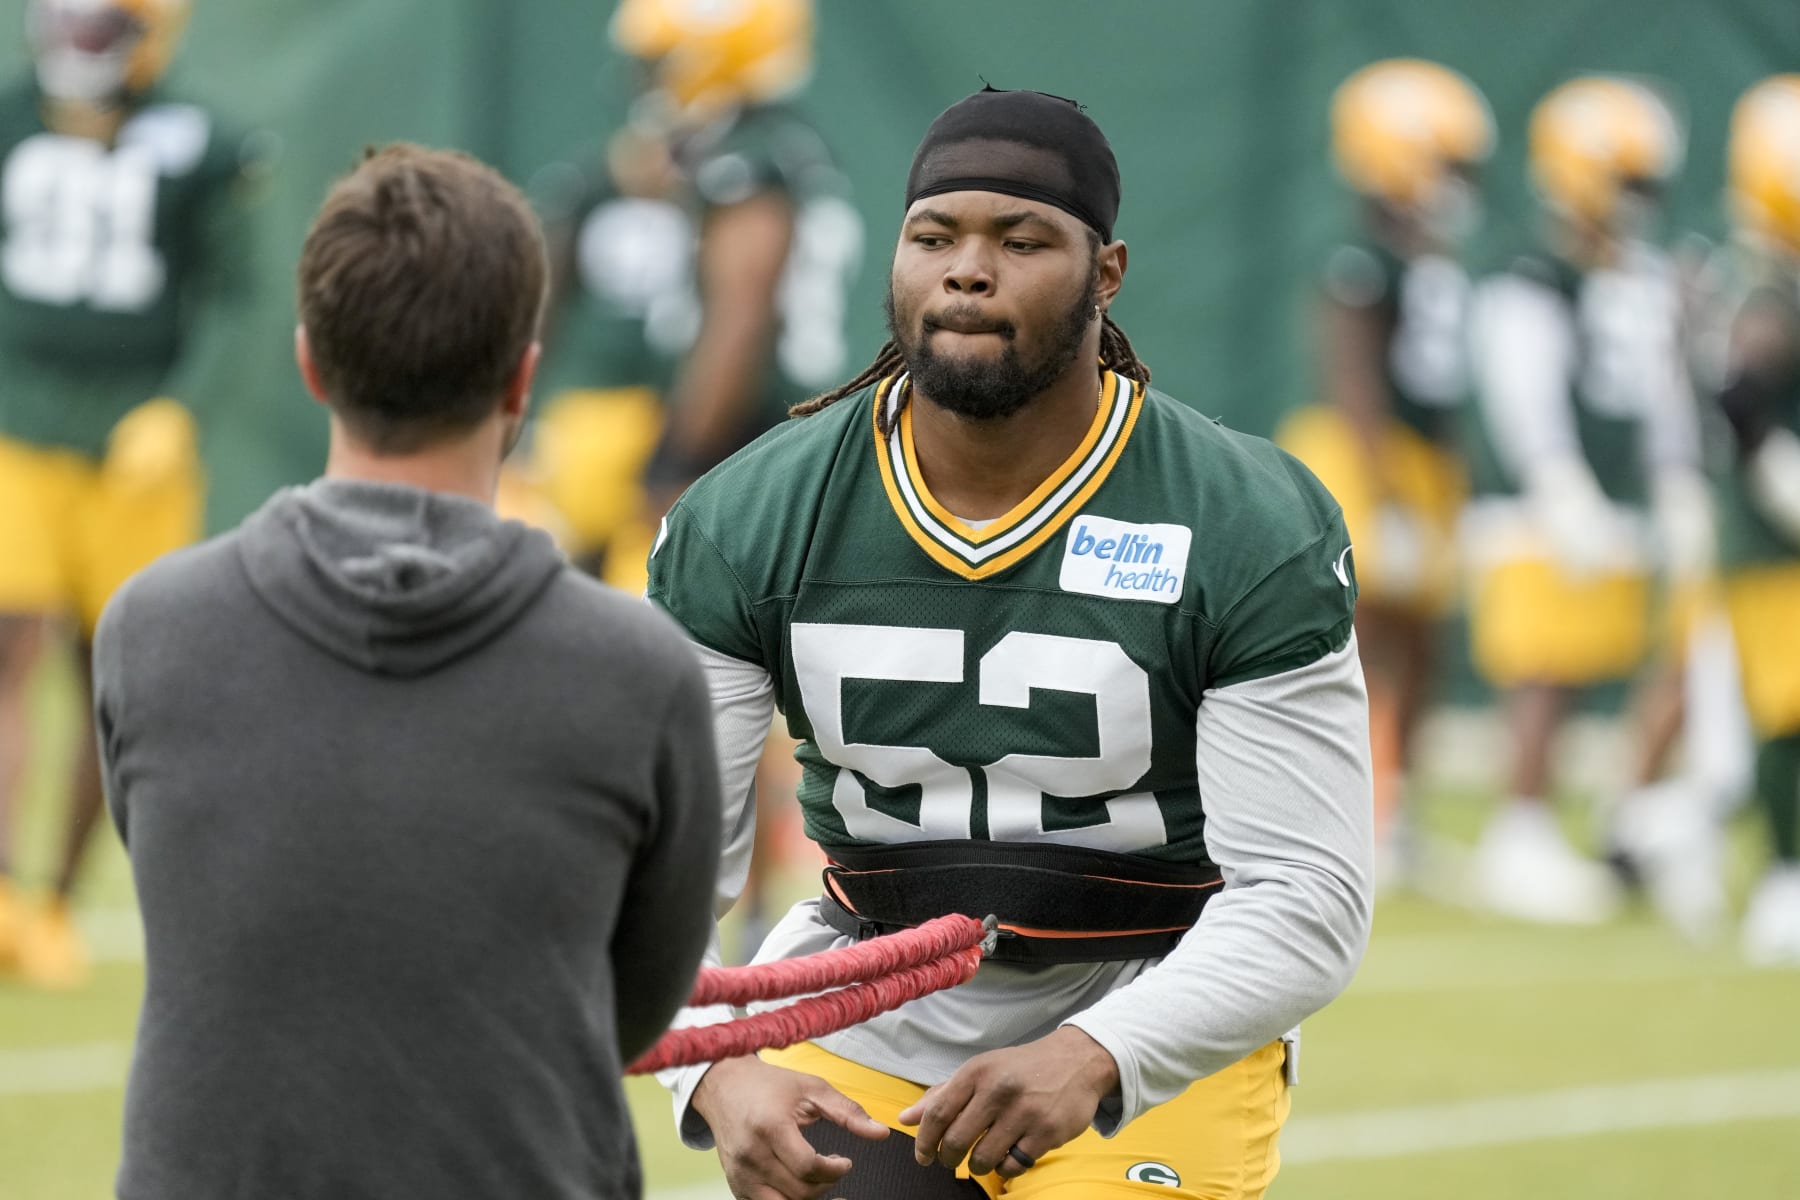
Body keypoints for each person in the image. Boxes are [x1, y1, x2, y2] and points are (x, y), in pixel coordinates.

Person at [650, 87, 1373, 1199]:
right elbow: (651, 874)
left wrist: (1104, 1052)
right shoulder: (751, 515)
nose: (967, 270)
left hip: (1150, 1002)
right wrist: (711, 1073)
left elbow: (1309, 894)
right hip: (862, 1008)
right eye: (933, 236)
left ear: (1108, 273)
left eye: (1020, 239)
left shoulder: (1240, 520)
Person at [93, 144, 722, 1199]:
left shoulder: (148, 631)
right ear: (525, 377)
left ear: (309, 363)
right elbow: (639, 1002)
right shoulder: (639, 671)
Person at [0, 0, 263, 987]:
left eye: (100, 28)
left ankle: (51, 899)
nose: (77, 48)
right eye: (65, 25)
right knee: (7, 645)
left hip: (132, 445)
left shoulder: (203, 142)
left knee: (116, 680)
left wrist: (181, 405)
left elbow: (236, 293)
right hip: (17, 425)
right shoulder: (10, 114)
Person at [1464, 75, 1712, 925]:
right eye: (1629, 180)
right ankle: (1519, 829)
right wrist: (1556, 480)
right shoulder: (1533, 276)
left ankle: (1629, 819)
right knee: (1547, 665)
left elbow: (1667, 390)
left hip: (1625, 497)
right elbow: (1519, 388)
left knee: (1651, 656)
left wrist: (1678, 477)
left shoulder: (1647, 275)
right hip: (1542, 502)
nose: (1640, 201)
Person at [1279, 58, 1492, 886]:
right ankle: (1348, 814)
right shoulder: (1358, 257)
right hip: (1368, 461)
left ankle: (1397, 808)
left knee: (1423, 643)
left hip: (1424, 465)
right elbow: (1356, 379)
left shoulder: (1430, 256)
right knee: (1354, 642)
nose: (1460, 184)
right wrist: (1388, 491)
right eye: (1447, 162)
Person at [1712, 75, 1800, 964]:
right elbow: (1740, 394)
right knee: (1789, 709)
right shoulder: (1768, 283)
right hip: (1776, 543)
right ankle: (1784, 877)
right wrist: (1779, 473)